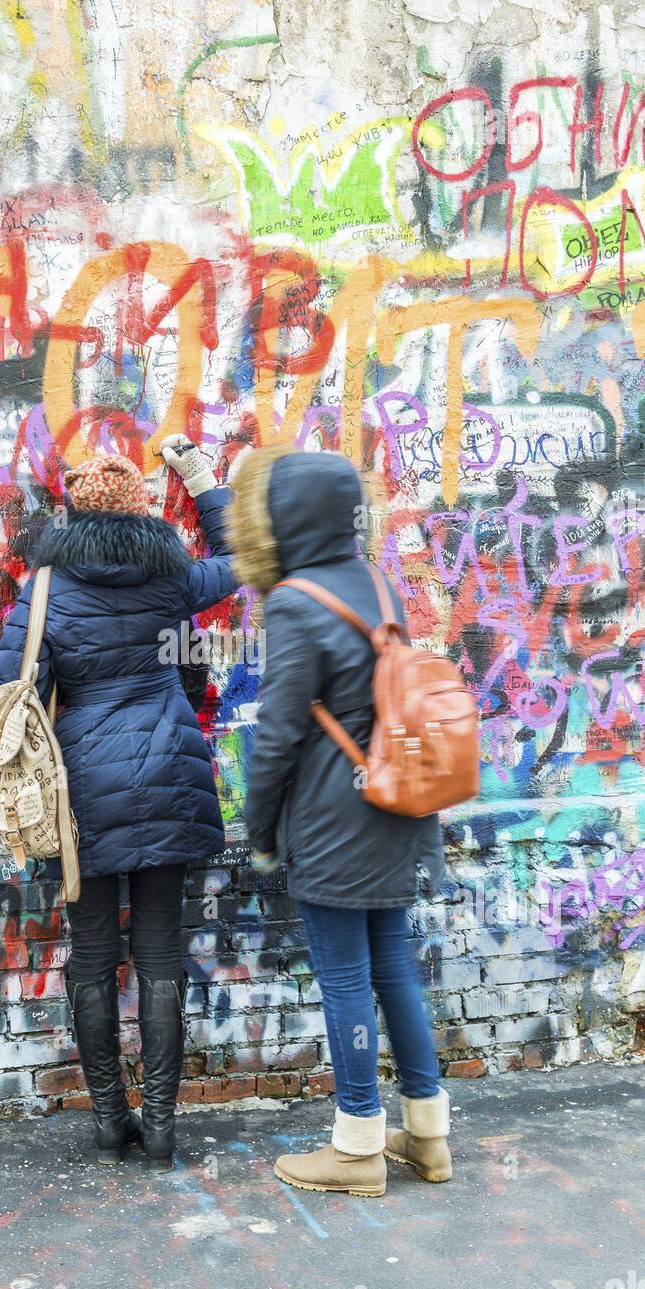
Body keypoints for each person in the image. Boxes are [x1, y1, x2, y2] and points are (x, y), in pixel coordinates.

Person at [0, 436, 237, 1170]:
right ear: (141, 514)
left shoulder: (44, 592)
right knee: (162, 954)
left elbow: (13, 696)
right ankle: (161, 1129)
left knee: (93, 957)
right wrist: (200, 481)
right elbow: (243, 554)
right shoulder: (174, 583)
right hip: (170, 776)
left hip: (81, 793)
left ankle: (110, 1121)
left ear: (71, 513)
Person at [226, 445, 452, 1197]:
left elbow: (280, 730)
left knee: (346, 981)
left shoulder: (294, 600)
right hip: (396, 806)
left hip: (331, 819)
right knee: (394, 972)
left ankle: (356, 1145)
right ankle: (427, 1135)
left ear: (286, 518)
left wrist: (260, 830)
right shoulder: (380, 583)